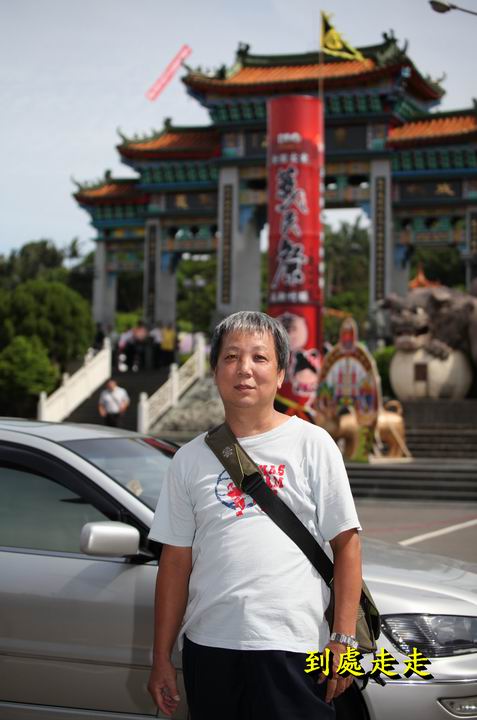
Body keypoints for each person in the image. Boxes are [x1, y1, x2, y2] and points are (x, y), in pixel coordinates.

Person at [147, 311, 362, 719]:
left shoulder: (312, 444)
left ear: (280, 374)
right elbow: (174, 563)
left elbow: (347, 544)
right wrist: (161, 657)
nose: (244, 369)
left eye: (259, 357)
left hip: (296, 647)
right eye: (231, 357)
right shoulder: (189, 459)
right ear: (215, 372)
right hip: (209, 647)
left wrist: (343, 640)